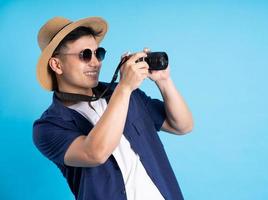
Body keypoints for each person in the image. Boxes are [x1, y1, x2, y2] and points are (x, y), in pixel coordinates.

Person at [33, 16, 193, 200]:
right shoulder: (48, 127)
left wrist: (164, 81)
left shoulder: (126, 94)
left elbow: (182, 125)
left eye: (98, 53)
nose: (95, 62)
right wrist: (124, 87)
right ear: (57, 64)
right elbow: (95, 153)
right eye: (85, 55)